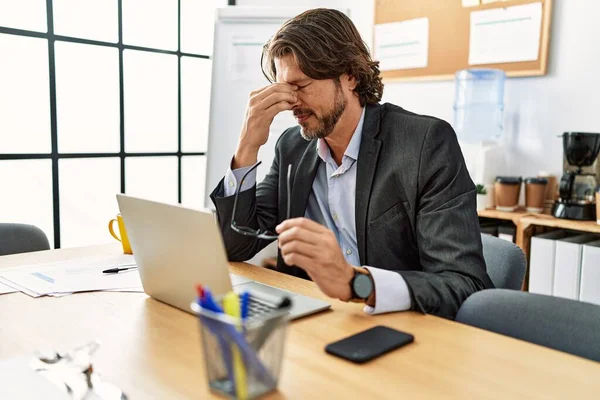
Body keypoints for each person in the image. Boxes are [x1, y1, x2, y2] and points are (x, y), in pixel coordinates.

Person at [210, 8, 493, 319]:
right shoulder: (292, 148)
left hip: (402, 328)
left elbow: (464, 284)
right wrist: (247, 146)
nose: (290, 103)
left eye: (300, 86)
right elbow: (235, 245)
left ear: (351, 76)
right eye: (283, 89)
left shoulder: (425, 144)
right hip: (316, 321)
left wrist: (357, 284)